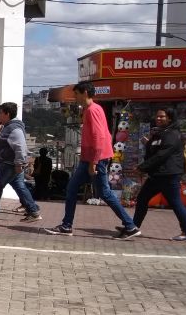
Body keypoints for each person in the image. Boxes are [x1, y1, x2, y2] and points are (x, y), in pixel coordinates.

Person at [44, 82, 139, 238]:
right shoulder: (94, 109)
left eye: (76, 94)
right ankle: (67, 225)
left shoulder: (92, 110)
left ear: (85, 93)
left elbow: (99, 137)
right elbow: (106, 135)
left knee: (103, 193)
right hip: (93, 158)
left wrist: (94, 161)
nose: (75, 98)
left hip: (94, 159)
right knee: (76, 189)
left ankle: (130, 226)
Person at [123, 108, 186, 241]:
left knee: (175, 202)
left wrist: (141, 167)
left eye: (162, 116)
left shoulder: (173, 134)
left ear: (170, 118)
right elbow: (153, 152)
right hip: (157, 175)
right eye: (157, 116)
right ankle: (133, 227)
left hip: (168, 175)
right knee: (143, 198)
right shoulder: (160, 133)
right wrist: (148, 143)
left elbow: (161, 155)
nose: (158, 118)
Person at [0, 102, 41, 222]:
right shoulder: (9, 127)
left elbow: (20, 146)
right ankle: (33, 211)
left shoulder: (13, 128)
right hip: (12, 164)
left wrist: (19, 163)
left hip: (9, 164)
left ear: (7, 114)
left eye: (0, 113)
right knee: (20, 187)